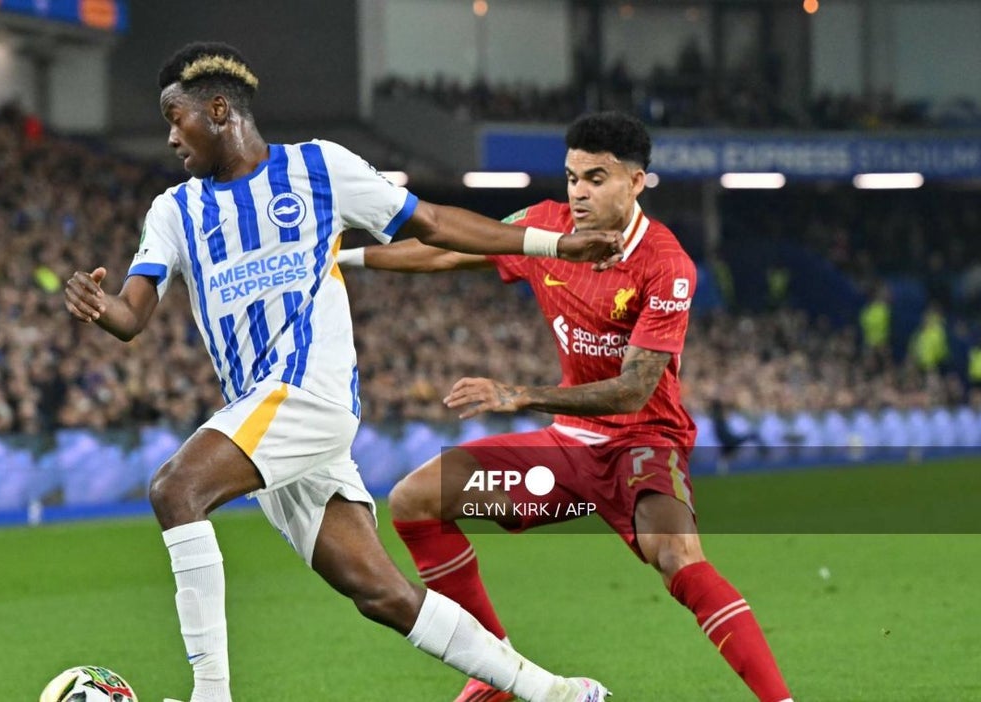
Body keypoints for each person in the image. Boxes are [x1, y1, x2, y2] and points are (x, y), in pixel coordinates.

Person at [63, 42, 622, 702]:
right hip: (263, 416)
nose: (169, 137)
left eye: (174, 118)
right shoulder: (174, 210)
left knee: (174, 489)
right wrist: (100, 306)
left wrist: (554, 244)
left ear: (217, 110)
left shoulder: (319, 168)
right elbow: (133, 314)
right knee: (381, 593)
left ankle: (211, 695)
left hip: (308, 393)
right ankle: (556, 692)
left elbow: (434, 223)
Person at [337, 112, 794, 702]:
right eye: (573, 177)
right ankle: (493, 671)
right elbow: (445, 253)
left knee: (676, 555)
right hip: (566, 453)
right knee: (415, 499)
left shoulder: (666, 264)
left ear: (635, 182)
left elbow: (634, 390)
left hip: (642, 445)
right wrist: (342, 260)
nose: (578, 191)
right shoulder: (544, 227)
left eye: (596, 179)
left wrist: (523, 395)